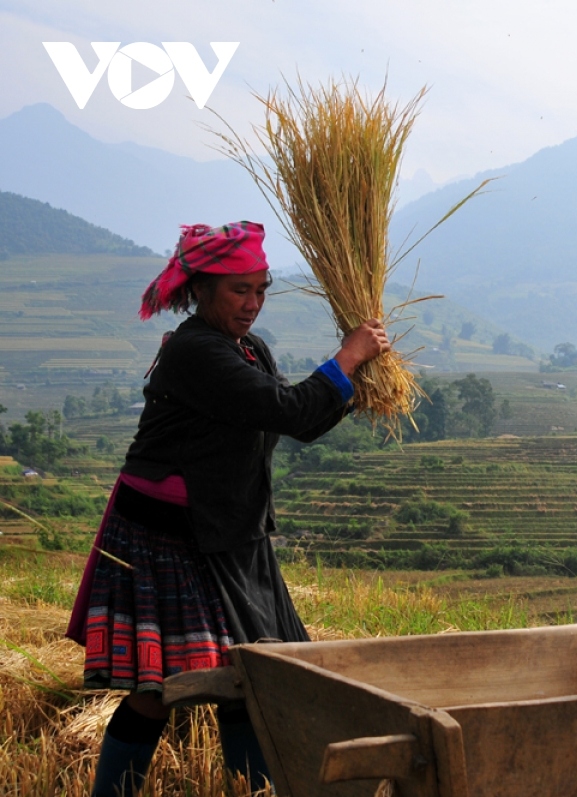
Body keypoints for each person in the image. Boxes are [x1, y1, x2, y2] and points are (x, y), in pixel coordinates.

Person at [66, 222, 391, 796]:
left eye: (261, 289)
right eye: (240, 290)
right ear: (203, 289)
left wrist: (357, 380)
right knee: (157, 689)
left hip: (230, 532)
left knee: (253, 675)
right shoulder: (196, 352)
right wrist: (346, 356)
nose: (253, 303)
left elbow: (299, 422)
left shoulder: (248, 348)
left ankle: (255, 789)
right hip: (168, 537)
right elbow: (289, 408)